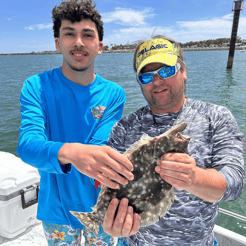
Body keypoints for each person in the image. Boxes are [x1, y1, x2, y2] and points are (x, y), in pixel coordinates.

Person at [101, 35, 245, 245]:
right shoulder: (124, 128)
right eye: (146, 76)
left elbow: (235, 183)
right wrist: (109, 223)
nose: (157, 81)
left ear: (183, 71)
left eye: (166, 70)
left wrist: (194, 177)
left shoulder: (217, 117)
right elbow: (108, 186)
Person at [17, 0, 134, 245]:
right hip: (55, 209)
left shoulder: (114, 94)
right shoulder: (36, 87)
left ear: (99, 46)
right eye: (70, 34)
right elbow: (28, 145)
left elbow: (101, 146)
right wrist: (73, 152)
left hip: (102, 207)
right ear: (58, 43)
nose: (79, 42)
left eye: (87, 35)